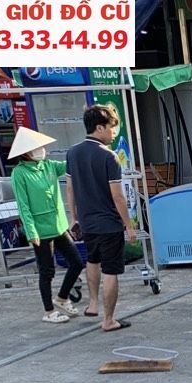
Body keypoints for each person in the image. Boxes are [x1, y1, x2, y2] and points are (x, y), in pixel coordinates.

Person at [65, 104, 137, 333]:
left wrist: (74, 217)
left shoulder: (72, 153)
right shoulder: (109, 157)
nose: (113, 133)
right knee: (111, 271)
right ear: (99, 128)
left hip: (87, 223)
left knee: (92, 261)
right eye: (111, 128)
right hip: (108, 224)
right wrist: (129, 226)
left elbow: (70, 188)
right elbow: (118, 196)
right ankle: (109, 320)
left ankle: (93, 304)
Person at [9, 126, 85, 325]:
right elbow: (23, 205)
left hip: (58, 225)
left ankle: (62, 297)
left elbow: (69, 165)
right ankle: (49, 311)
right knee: (47, 271)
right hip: (40, 230)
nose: (42, 150)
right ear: (26, 152)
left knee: (77, 262)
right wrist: (31, 231)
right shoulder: (19, 173)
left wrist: (85, 150)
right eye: (37, 147)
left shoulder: (49, 166)